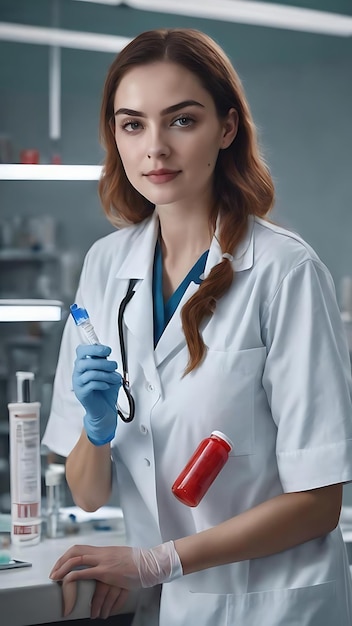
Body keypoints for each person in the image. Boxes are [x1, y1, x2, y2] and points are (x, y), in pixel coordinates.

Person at [42, 27, 352, 626]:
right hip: (163, 607)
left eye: (181, 120)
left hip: (271, 606)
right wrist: (97, 428)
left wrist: (155, 563)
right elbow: (87, 494)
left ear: (227, 128)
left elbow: (318, 503)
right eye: (132, 124)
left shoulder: (285, 271)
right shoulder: (106, 267)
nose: (155, 147)